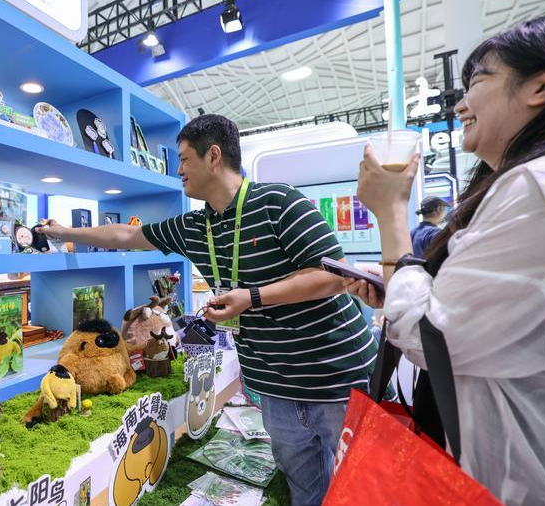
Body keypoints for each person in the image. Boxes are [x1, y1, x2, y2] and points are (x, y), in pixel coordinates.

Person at [44, 114, 378, 506]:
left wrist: (251, 297)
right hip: (274, 384)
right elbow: (128, 234)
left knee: (365, 488)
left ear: (214, 156)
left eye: (184, 159)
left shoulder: (279, 202)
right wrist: (64, 232)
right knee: (305, 488)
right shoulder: (194, 227)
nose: (179, 170)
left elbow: (333, 275)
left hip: (335, 378)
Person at [344, 8, 545, 505]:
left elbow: (435, 338)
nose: (460, 104)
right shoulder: (538, 183)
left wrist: (390, 213)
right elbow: (490, 313)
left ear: (543, 85)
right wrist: (399, 287)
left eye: (478, 81)